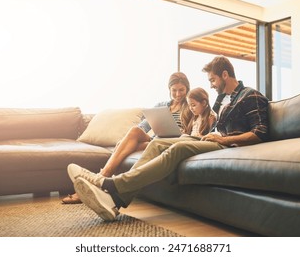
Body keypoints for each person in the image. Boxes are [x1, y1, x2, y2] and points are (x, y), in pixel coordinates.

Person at [67, 56, 269, 221]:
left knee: (176, 149)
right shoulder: (223, 99)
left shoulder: (250, 95)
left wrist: (223, 140)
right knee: (156, 143)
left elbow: (260, 133)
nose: (212, 85)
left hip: (224, 145)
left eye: (213, 80)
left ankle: (110, 185)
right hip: (207, 140)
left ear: (225, 75)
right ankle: (115, 200)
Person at [62, 71, 192, 204]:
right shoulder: (162, 106)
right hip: (156, 139)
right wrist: (126, 139)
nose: (178, 94)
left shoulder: (190, 106)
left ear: (187, 89)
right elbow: (143, 125)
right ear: (169, 89)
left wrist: (183, 132)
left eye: (181, 90)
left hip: (172, 142)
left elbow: (194, 132)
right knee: (135, 131)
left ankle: (98, 179)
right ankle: (102, 180)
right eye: (174, 90)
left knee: (128, 148)